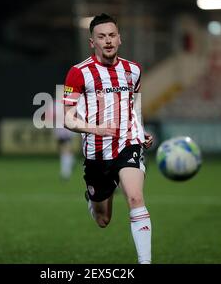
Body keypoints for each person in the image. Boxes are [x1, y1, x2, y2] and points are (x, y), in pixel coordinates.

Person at [63, 13, 154, 264]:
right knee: (103, 220)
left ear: (120, 39)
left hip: (128, 143)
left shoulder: (133, 70)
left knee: (135, 197)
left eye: (112, 35)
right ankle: (93, 198)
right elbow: (67, 119)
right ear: (92, 42)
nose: (108, 41)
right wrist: (95, 129)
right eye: (101, 37)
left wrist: (140, 129)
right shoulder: (77, 73)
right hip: (96, 152)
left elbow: (135, 107)